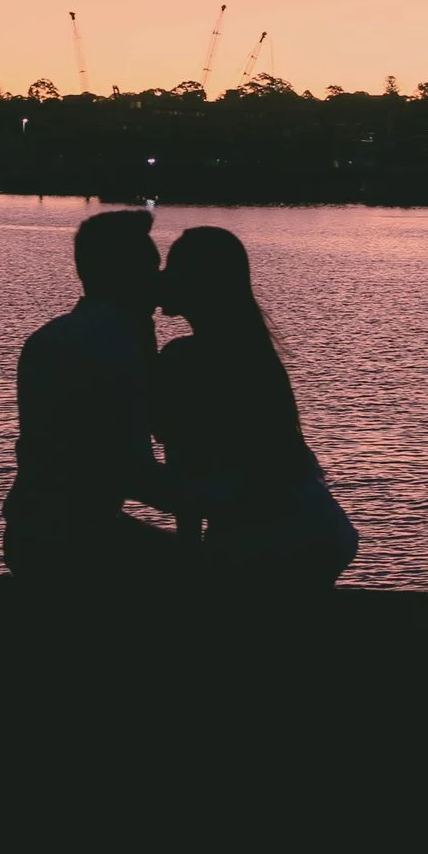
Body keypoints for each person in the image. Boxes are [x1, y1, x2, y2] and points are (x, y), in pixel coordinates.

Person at [153, 226, 357, 589]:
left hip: (268, 537)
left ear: (198, 282)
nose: (162, 277)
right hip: (320, 527)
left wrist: (191, 563)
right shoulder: (252, 354)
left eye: (172, 267)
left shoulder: (186, 359)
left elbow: (186, 466)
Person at [1, 208, 192, 585]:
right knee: (210, 571)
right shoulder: (115, 348)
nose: (158, 283)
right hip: (75, 545)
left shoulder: (50, 337)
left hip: (32, 532)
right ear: (126, 276)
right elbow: (134, 472)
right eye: (151, 269)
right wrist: (225, 498)